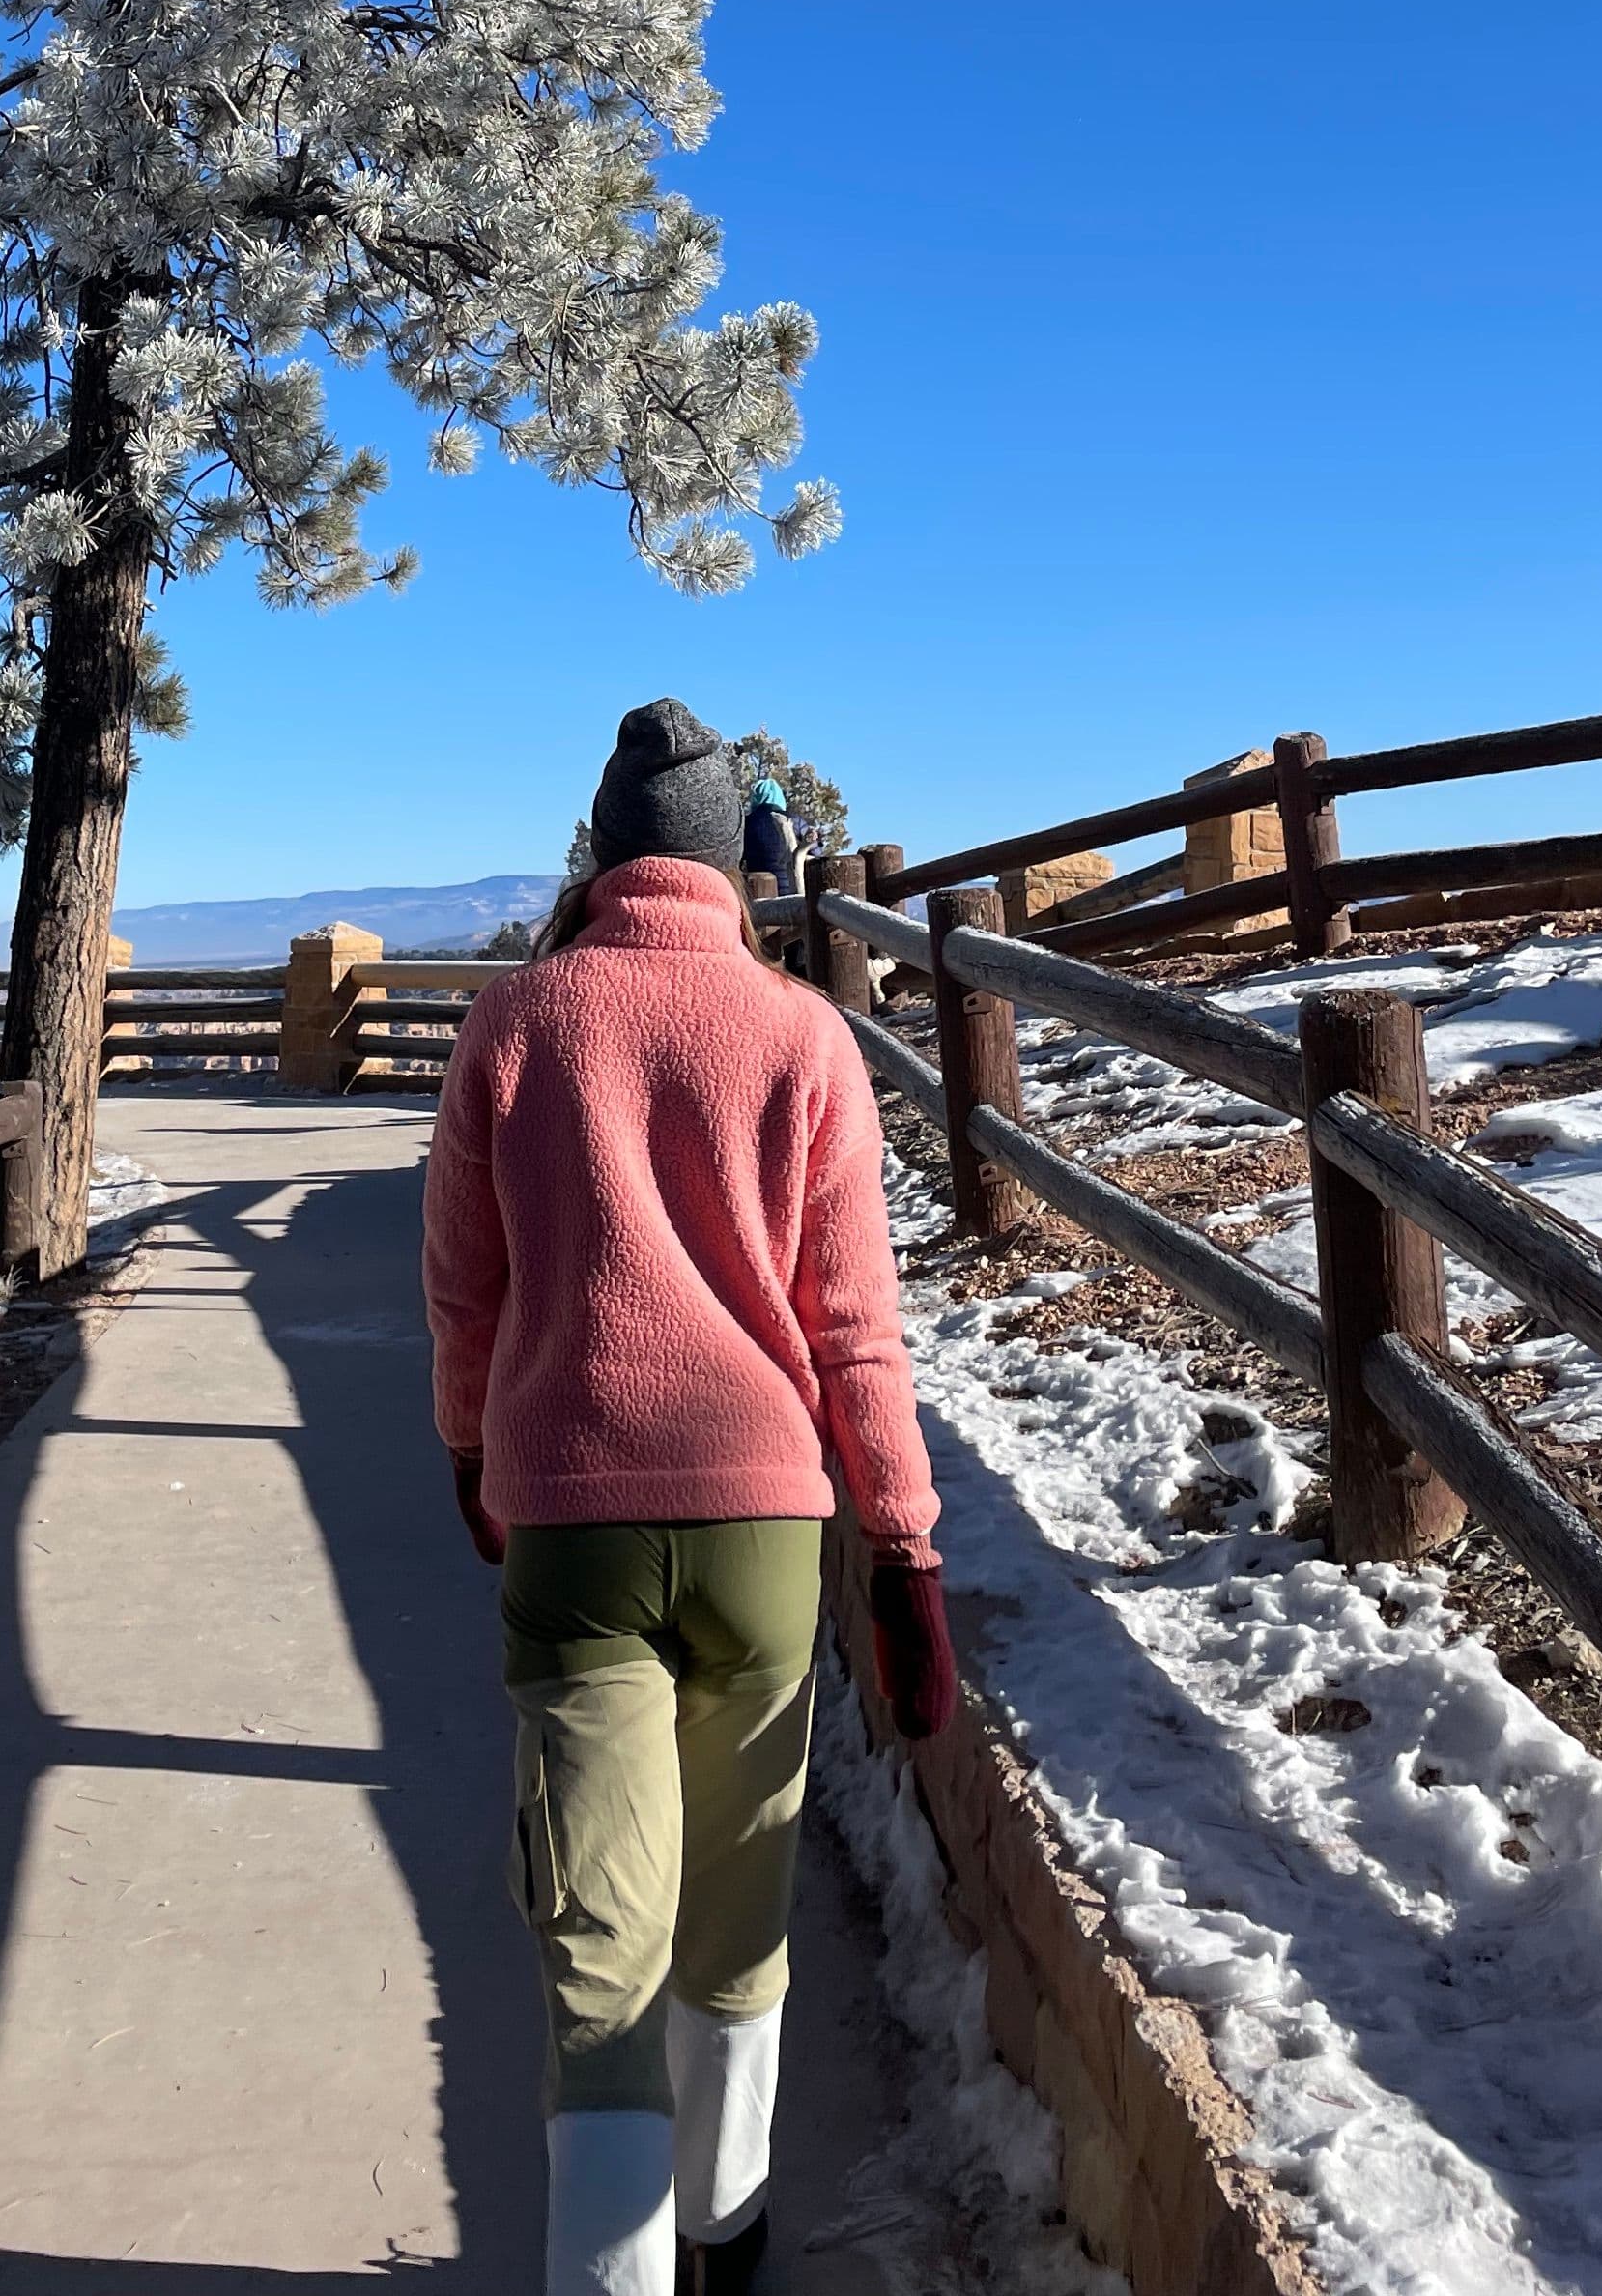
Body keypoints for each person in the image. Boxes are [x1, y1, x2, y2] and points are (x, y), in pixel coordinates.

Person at [422, 700, 958, 2296]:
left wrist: (471, 1452)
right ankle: (727, 2238)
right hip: (762, 1535)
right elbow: (852, 1320)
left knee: (597, 1952)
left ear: (604, 854)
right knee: (734, 1919)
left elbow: (464, 1291)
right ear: (736, 862)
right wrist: (902, 1545)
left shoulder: (514, 1024)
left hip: (571, 1527)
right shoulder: (801, 1037)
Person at [738, 775, 799, 894]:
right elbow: (815, 851)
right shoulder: (794, 820)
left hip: (759, 887)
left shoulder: (747, 822)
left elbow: (739, 855)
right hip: (793, 887)